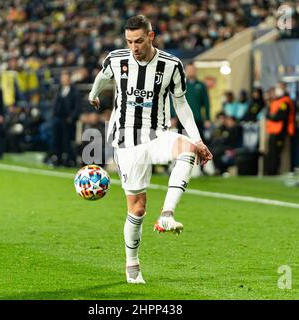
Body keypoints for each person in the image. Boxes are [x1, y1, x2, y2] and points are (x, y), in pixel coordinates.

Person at [88, 15, 212, 284]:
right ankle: (132, 264)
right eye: (129, 41)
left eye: (139, 41)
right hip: (126, 142)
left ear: (151, 36)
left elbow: (181, 104)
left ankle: (167, 214)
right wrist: (93, 95)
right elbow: (101, 77)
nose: (134, 47)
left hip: (157, 134)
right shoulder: (116, 59)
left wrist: (198, 139)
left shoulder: (171, 65)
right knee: (137, 208)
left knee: (188, 149)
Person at [52, 71, 81, 167]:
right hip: (58, 118)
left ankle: (70, 160)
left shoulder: (74, 91)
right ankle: (58, 158)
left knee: (67, 141)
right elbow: (55, 104)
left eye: (65, 78)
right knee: (56, 140)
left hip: (68, 120)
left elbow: (77, 107)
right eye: (62, 78)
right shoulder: (59, 90)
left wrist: (71, 117)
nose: (64, 80)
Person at [265, 83, 295, 175]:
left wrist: (272, 116)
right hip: (272, 131)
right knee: (270, 153)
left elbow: (279, 116)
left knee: (276, 153)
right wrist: (272, 116)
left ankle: (274, 171)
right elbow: (268, 114)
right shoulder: (275, 101)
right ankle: (269, 171)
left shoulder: (285, 102)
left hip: (281, 131)